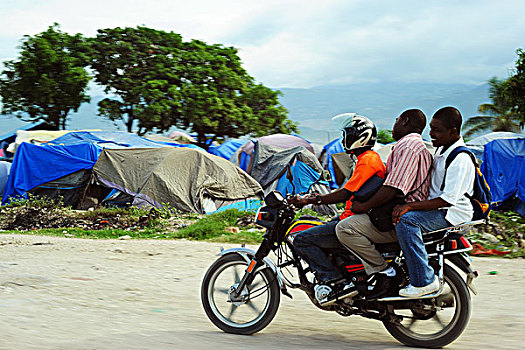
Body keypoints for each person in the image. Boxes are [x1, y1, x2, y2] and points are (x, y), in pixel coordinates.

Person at [335, 109, 432, 300]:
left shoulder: (408, 147)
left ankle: (385, 272)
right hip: (401, 213)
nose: (394, 125)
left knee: (344, 229)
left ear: (404, 121)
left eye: (396, 120)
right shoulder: (407, 146)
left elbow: (393, 188)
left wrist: (363, 207)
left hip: (400, 217)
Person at [290, 114, 386, 305]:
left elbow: (344, 193)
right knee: (317, 228)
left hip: (355, 220)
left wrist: (310, 199)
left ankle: (335, 281)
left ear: (361, 137)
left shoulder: (367, 160)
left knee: (302, 240)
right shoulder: (364, 159)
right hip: (350, 216)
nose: (344, 139)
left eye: (348, 134)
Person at [392, 106, 475, 298]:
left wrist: (409, 206)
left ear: (453, 131)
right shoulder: (441, 150)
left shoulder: (460, 158)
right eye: (431, 128)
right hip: (440, 209)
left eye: (437, 130)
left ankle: (423, 281)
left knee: (407, 220)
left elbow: (447, 199)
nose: (431, 134)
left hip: (452, 213)